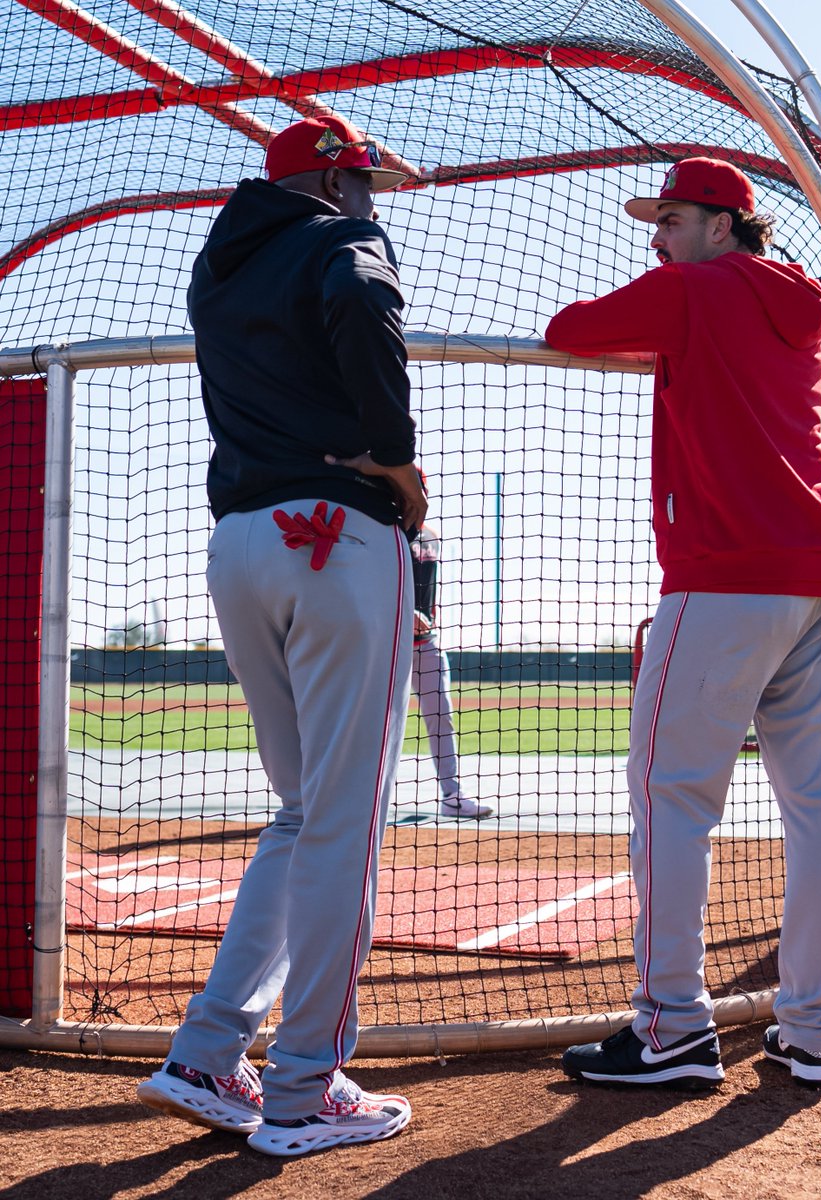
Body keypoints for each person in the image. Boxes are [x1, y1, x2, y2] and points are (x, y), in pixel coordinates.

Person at [545, 157, 821, 1090]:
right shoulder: (807, 316)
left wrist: (683, 310)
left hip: (730, 574)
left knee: (670, 797)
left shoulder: (691, 289)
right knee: (816, 811)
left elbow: (568, 331)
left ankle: (672, 1027)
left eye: (675, 220)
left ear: (723, 225)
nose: (658, 237)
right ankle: (813, 1029)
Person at [136, 114, 427, 1156]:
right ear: (337, 177)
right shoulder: (339, 237)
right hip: (338, 534)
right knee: (342, 821)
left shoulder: (220, 264)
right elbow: (360, 301)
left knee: (302, 814)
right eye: (368, 179)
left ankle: (210, 1053)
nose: (377, 196)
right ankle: (304, 1091)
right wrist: (395, 459)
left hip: (241, 545)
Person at [410, 522, 493, 819]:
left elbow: (427, 587)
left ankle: (452, 796)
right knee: (375, 724)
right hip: (386, 644)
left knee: (441, 717)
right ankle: (362, 799)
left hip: (426, 642)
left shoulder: (430, 536)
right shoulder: (381, 527)